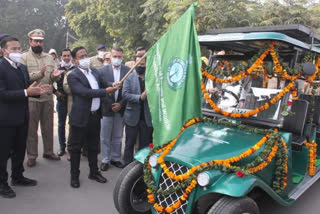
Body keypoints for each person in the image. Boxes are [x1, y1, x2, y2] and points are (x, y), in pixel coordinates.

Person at [0, 37, 51, 198]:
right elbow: (2, 94)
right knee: (3, 153)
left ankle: (17, 176)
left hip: (22, 116)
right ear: (3, 50)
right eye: (13, 49)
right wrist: (26, 92)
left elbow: (27, 87)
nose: (17, 51)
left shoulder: (21, 68)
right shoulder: (1, 67)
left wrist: (37, 89)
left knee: (19, 149)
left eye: (18, 48)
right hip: (6, 119)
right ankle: (2, 184)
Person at [67, 46, 120, 188]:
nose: (85, 59)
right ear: (75, 61)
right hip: (80, 117)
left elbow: (104, 84)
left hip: (95, 116)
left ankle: (94, 172)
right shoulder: (73, 75)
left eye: (86, 55)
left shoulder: (95, 72)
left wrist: (113, 84)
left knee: (93, 147)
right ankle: (74, 176)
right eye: (81, 57)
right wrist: (105, 91)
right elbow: (84, 92)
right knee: (76, 148)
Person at [20, 29, 63, 167]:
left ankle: (48, 151)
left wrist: (56, 76)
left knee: (48, 127)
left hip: (47, 97)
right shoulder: (24, 57)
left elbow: (52, 76)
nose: (38, 43)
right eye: (35, 40)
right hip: (32, 98)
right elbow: (24, 77)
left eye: (40, 41)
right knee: (32, 129)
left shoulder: (49, 58)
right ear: (30, 42)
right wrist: (40, 73)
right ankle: (32, 155)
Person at [99, 47, 130, 171]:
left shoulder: (128, 71)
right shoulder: (102, 71)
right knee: (105, 136)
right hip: (107, 108)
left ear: (122, 57)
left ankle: (116, 158)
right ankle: (105, 159)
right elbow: (100, 89)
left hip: (120, 109)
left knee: (118, 136)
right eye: (115, 56)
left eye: (119, 57)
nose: (117, 59)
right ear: (110, 57)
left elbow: (129, 90)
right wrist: (111, 104)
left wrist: (120, 104)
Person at [122, 53, 153, 166]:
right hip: (132, 116)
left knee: (145, 145)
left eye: (143, 64)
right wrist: (139, 97)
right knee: (129, 142)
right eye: (138, 64)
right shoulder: (129, 77)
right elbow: (125, 94)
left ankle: (142, 166)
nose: (140, 66)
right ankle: (127, 165)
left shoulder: (151, 78)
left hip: (146, 117)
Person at [54, 48, 75, 156]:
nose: (66, 58)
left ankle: (72, 148)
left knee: (73, 124)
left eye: (68, 55)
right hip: (61, 99)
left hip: (73, 99)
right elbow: (50, 82)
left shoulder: (75, 68)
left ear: (71, 57)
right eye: (64, 56)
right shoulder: (58, 69)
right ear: (61, 57)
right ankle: (62, 147)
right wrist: (56, 92)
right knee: (61, 124)